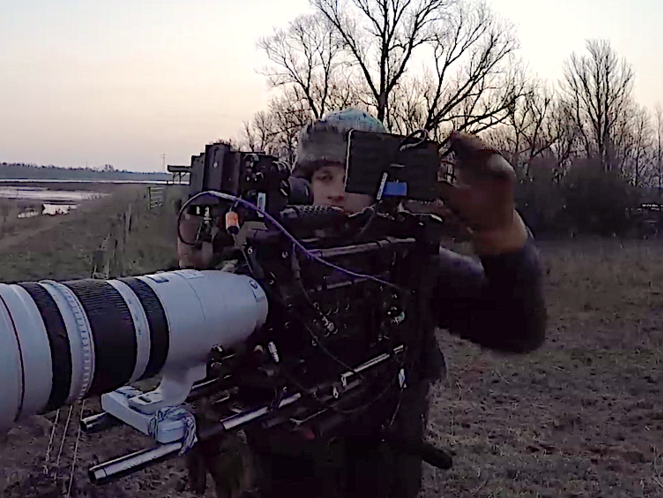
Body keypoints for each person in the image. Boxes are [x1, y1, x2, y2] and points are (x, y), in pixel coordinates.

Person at [176, 108, 547, 498]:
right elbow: (190, 344)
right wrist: (194, 273)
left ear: (382, 186)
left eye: (351, 177)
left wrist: (501, 233)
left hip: (385, 478)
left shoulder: (408, 262)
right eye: (324, 176)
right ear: (304, 186)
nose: (336, 191)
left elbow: (518, 329)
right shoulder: (263, 263)